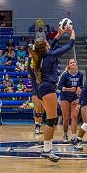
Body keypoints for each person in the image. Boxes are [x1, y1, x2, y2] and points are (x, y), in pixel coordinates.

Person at [28, 27, 75, 162]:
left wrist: (59, 35)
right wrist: (71, 32)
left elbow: (51, 46)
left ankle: (47, 150)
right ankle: (47, 150)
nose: (49, 43)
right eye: (47, 43)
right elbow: (69, 45)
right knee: (51, 120)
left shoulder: (42, 56)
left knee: (51, 120)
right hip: (48, 88)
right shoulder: (49, 56)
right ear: (45, 47)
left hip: (44, 88)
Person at [58, 59, 83, 144]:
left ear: (76, 64)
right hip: (65, 97)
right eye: (71, 63)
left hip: (75, 98)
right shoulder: (65, 75)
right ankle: (65, 134)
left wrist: (80, 87)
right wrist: (69, 89)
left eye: (74, 62)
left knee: (74, 116)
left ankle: (73, 136)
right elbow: (59, 87)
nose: (73, 64)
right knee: (66, 118)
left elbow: (81, 85)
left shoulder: (80, 74)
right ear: (68, 65)